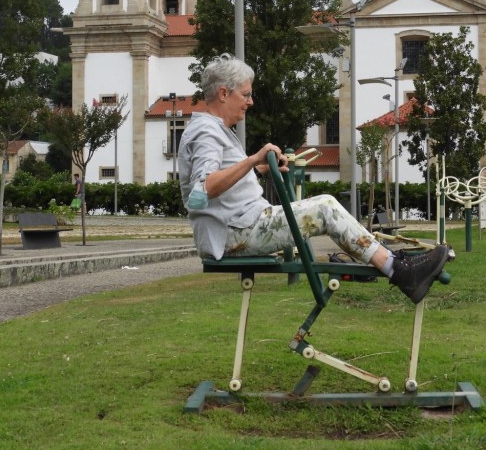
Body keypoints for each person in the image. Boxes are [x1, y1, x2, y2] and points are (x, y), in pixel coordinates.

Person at [177, 54, 449, 304]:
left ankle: (396, 262)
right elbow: (204, 189)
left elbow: (221, 184)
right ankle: (399, 270)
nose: (251, 102)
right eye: (246, 95)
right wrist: (252, 159)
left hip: (240, 225)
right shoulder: (207, 132)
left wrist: (260, 170)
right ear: (224, 93)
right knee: (324, 208)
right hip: (233, 233)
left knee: (324, 207)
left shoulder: (215, 130)